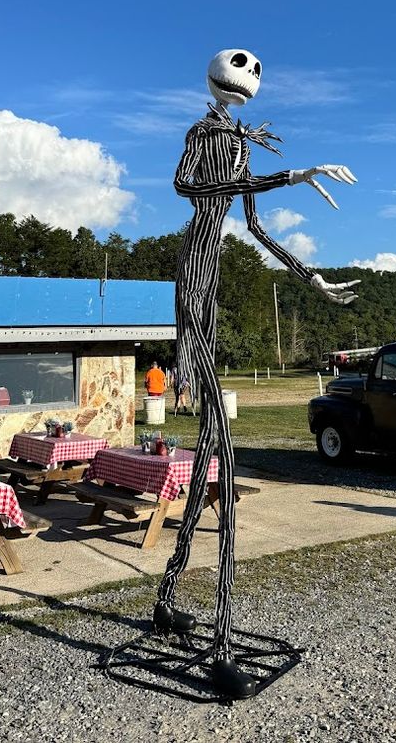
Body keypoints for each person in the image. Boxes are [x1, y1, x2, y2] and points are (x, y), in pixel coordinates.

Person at [151, 47, 359, 700]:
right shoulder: (202, 135)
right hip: (193, 277)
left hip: (213, 277)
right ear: (217, 80)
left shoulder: (238, 141)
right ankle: (218, 640)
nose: (248, 84)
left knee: (212, 443)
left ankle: (166, 594)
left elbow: (253, 224)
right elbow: (187, 188)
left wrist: (311, 277)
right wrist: (287, 174)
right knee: (225, 451)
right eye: (239, 74)